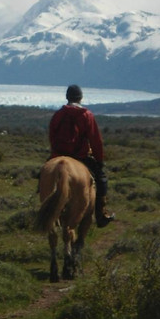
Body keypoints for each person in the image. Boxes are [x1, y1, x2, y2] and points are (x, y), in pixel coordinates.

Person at [48, 84, 115, 227]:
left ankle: (44, 205)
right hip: (81, 156)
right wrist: (99, 160)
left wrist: (55, 153)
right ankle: (101, 214)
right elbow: (95, 140)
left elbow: (52, 135)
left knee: (44, 175)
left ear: (67, 97)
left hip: (58, 155)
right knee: (101, 180)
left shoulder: (58, 114)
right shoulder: (86, 115)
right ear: (80, 98)